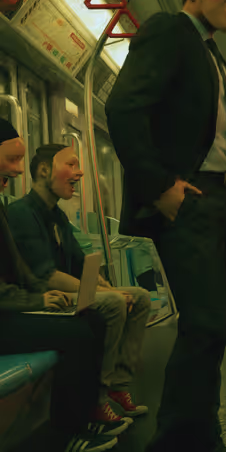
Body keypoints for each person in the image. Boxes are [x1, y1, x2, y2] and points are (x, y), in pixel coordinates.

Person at [105, 0, 226, 452]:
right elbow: (123, 108)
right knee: (205, 322)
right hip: (190, 199)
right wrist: (160, 187)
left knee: (215, 326)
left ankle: (202, 431)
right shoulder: (170, 32)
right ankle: (176, 440)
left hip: (222, 204)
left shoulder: (213, 56)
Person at [0, 118, 124, 452]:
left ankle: (87, 413)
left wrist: (38, 294)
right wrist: (36, 301)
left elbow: (20, 270)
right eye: (12, 159)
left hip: (10, 307)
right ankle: (67, 434)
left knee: (92, 319)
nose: (18, 169)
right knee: (77, 334)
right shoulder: (20, 212)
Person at [7, 144, 153, 420]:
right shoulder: (21, 213)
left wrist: (111, 288)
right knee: (112, 303)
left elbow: (82, 263)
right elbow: (47, 276)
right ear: (44, 170)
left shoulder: (57, 215)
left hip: (67, 290)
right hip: (44, 297)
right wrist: (108, 294)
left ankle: (118, 385)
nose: (80, 172)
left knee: (140, 296)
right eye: (71, 164)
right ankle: (97, 397)